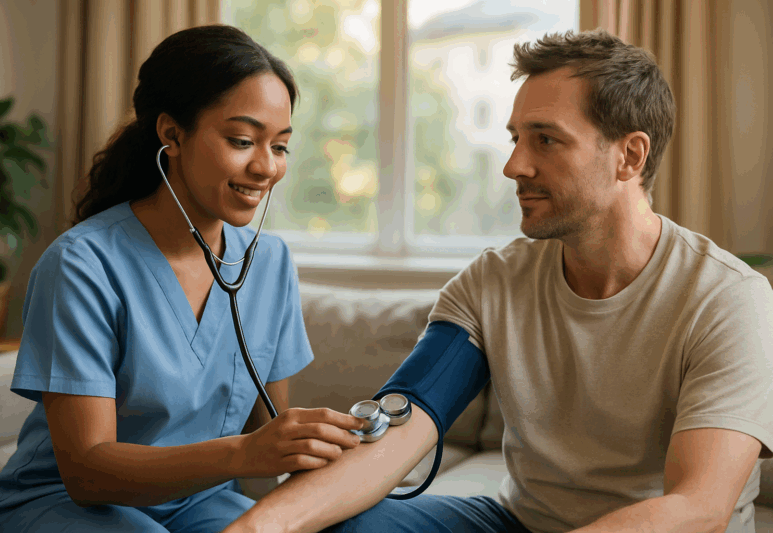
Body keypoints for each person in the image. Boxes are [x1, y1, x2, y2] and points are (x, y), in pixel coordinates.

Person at [222, 29, 773, 533]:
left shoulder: (726, 298)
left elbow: (698, 506)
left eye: (545, 141)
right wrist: (260, 528)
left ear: (629, 156)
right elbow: (403, 425)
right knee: (342, 521)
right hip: (520, 523)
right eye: (515, 139)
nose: (514, 166)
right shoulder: (494, 281)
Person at [0, 25, 364, 533]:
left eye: (281, 146)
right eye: (243, 141)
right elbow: (87, 473)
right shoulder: (81, 265)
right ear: (171, 134)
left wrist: (330, 449)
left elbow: (269, 429)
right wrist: (244, 454)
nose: (266, 167)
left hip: (199, 503)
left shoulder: (269, 263)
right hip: (67, 506)